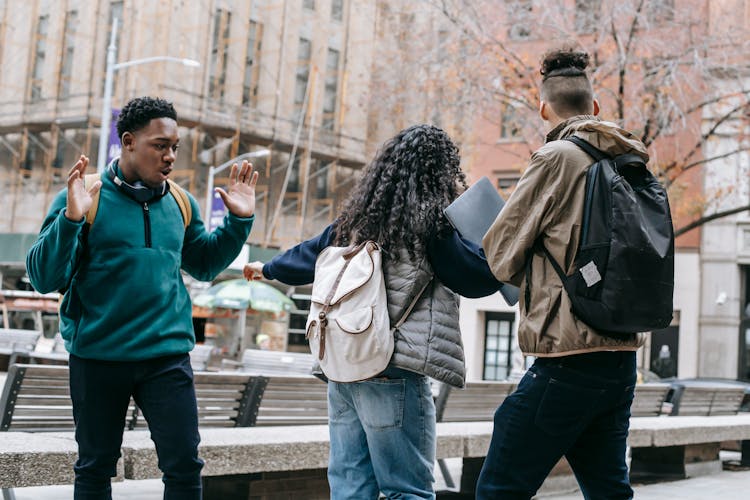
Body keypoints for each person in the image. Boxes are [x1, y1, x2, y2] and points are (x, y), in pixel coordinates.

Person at [244, 124, 501, 499]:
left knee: (350, 487)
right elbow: (477, 279)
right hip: (392, 369)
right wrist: (498, 242)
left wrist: (265, 268)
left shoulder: (355, 222)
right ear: (441, 173)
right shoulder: (431, 227)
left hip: (343, 370)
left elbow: (305, 256)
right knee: (406, 490)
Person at [26, 96, 259, 500]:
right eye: (160, 145)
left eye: (175, 147)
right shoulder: (84, 195)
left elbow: (203, 264)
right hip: (99, 356)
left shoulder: (181, 203)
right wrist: (71, 221)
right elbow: (43, 277)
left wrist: (239, 222)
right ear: (129, 142)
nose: (170, 156)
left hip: (165, 358)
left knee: (184, 466)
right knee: (95, 468)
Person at [477, 47, 647, 499]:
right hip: (621, 357)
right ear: (595, 108)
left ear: (542, 108)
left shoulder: (556, 157)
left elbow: (498, 253)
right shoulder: (630, 161)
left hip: (567, 357)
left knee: (499, 486)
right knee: (608, 489)